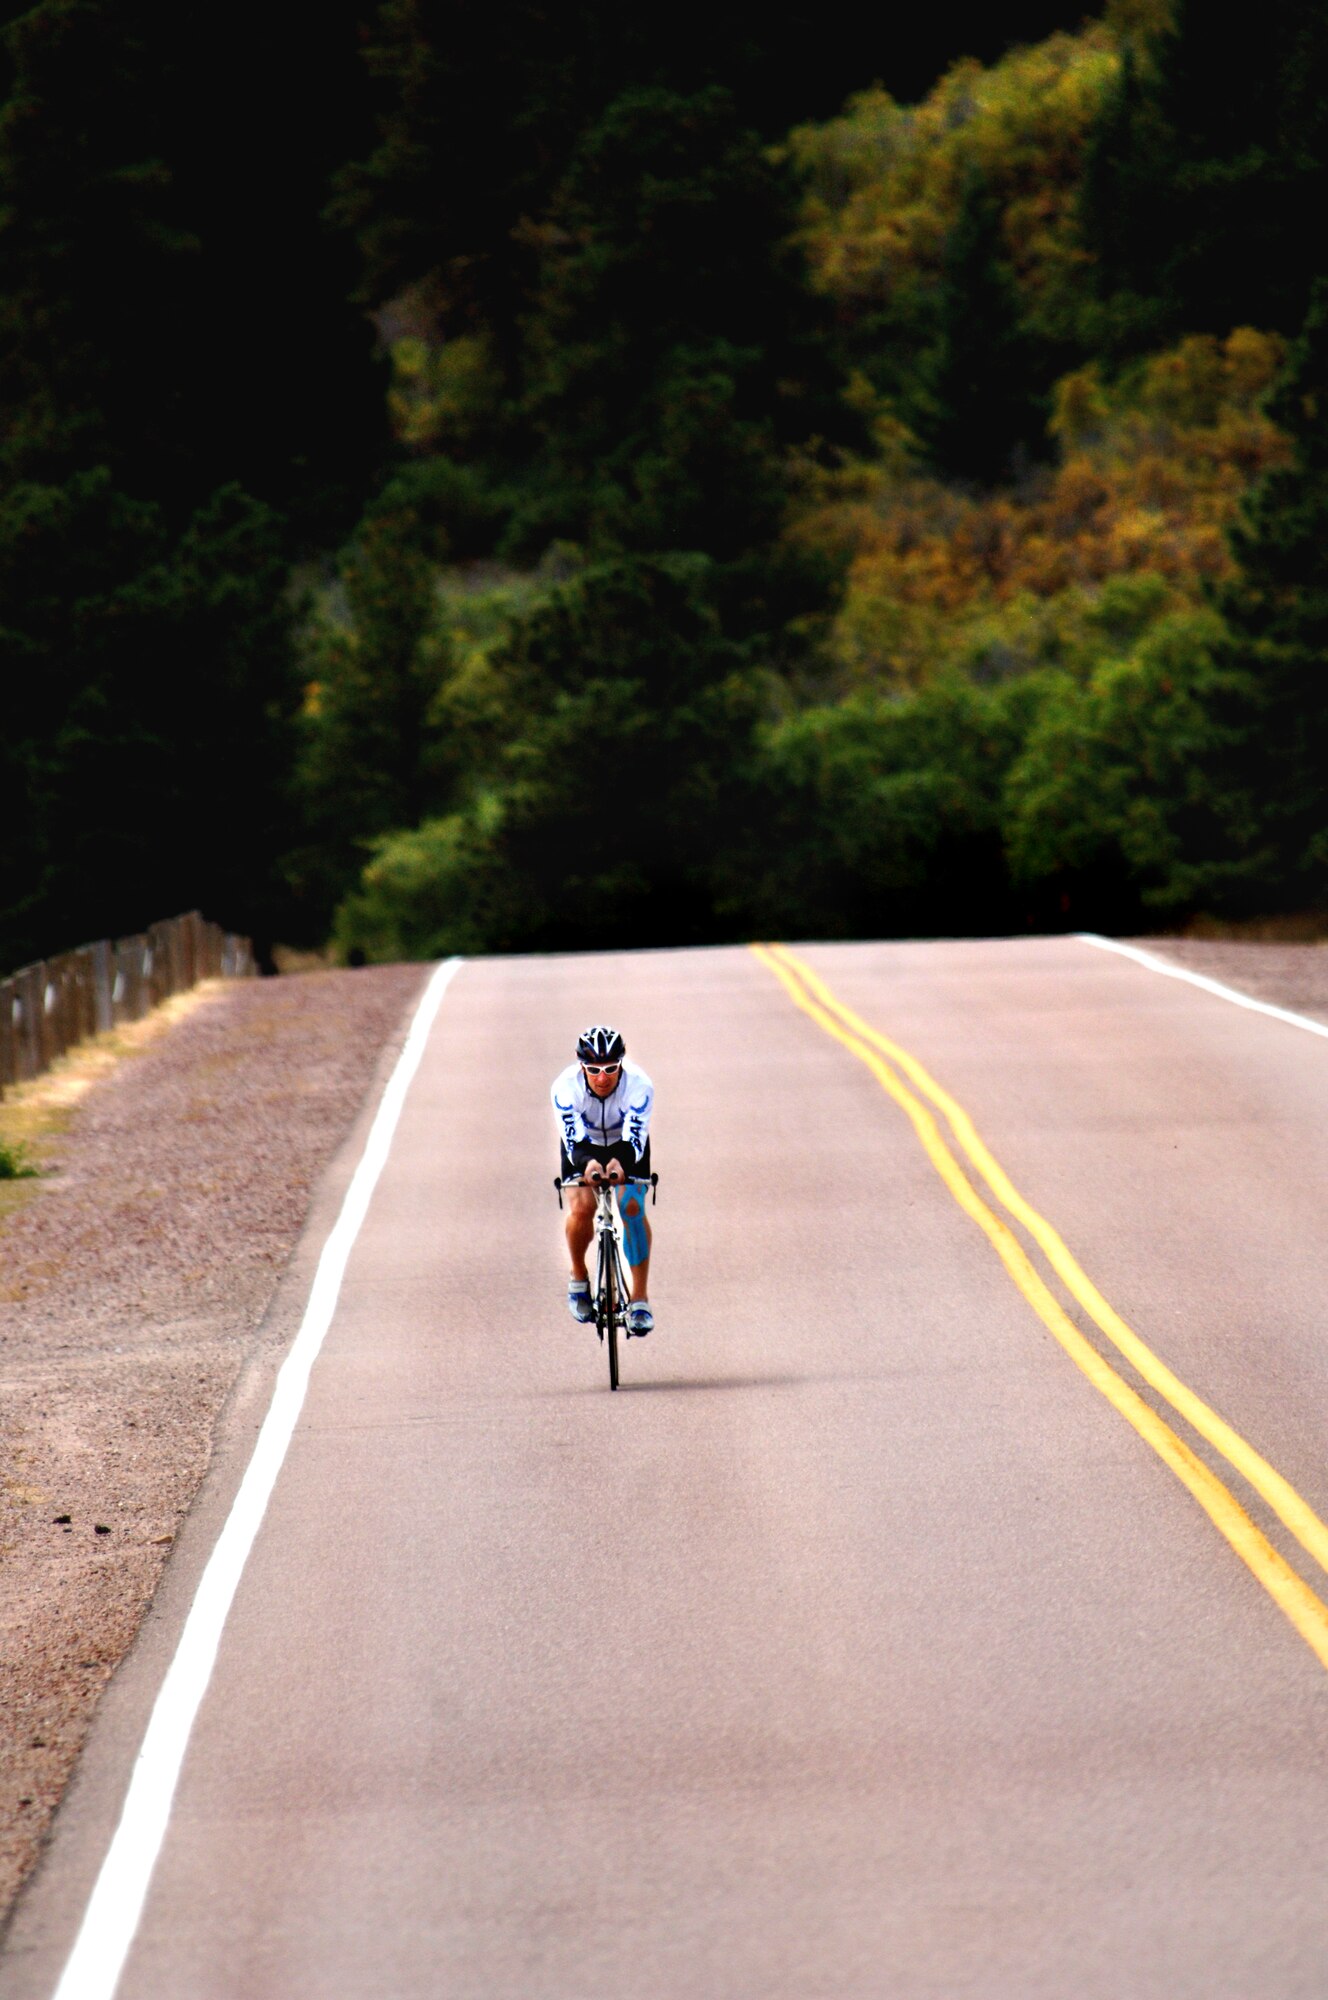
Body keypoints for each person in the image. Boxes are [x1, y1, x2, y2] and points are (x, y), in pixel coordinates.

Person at [552, 1025, 655, 1334]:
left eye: (611, 1068)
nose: (602, 1077)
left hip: (626, 1146)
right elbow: (573, 1140)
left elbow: (634, 1138)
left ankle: (639, 1299)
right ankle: (579, 1276)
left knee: (631, 1207)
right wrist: (589, 1164)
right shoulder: (565, 1087)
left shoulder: (639, 1085)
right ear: (580, 1066)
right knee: (582, 1206)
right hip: (583, 1147)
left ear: (621, 1064)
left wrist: (619, 1163)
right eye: (593, 1069)